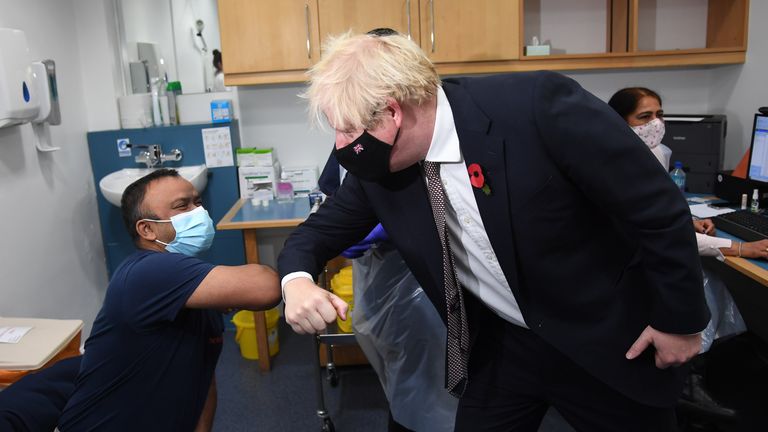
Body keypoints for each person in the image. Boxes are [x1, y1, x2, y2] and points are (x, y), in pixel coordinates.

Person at [278, 32, 709, 431]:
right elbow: (312, 235)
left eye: (348, 128)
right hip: (507, 343)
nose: (341, 144)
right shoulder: (379, 171)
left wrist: (681, 320)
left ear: (392, 111)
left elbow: (656, 208)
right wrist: (296, 282)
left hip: (604, 334)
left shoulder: (536, 107)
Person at [57, 169, 281, 431]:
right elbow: (267, 286)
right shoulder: (147, 272)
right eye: (182, 206)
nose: (198, 212)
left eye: (197, 202)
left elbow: (203, 376)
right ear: (148, 229)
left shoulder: (195, 290)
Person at [609, 87, 768, 419]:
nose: (656, 123)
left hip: (649, 262)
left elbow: (666, 216)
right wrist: (740, 247)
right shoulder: (620, 165)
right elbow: (662, 234)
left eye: (659, 114)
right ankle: (685, 384)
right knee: (705, 288)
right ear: (619, 122)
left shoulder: (657, 153)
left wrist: (690, 220)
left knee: (709, 286)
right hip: (636, 271)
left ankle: (691, 378)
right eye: (644, 117)